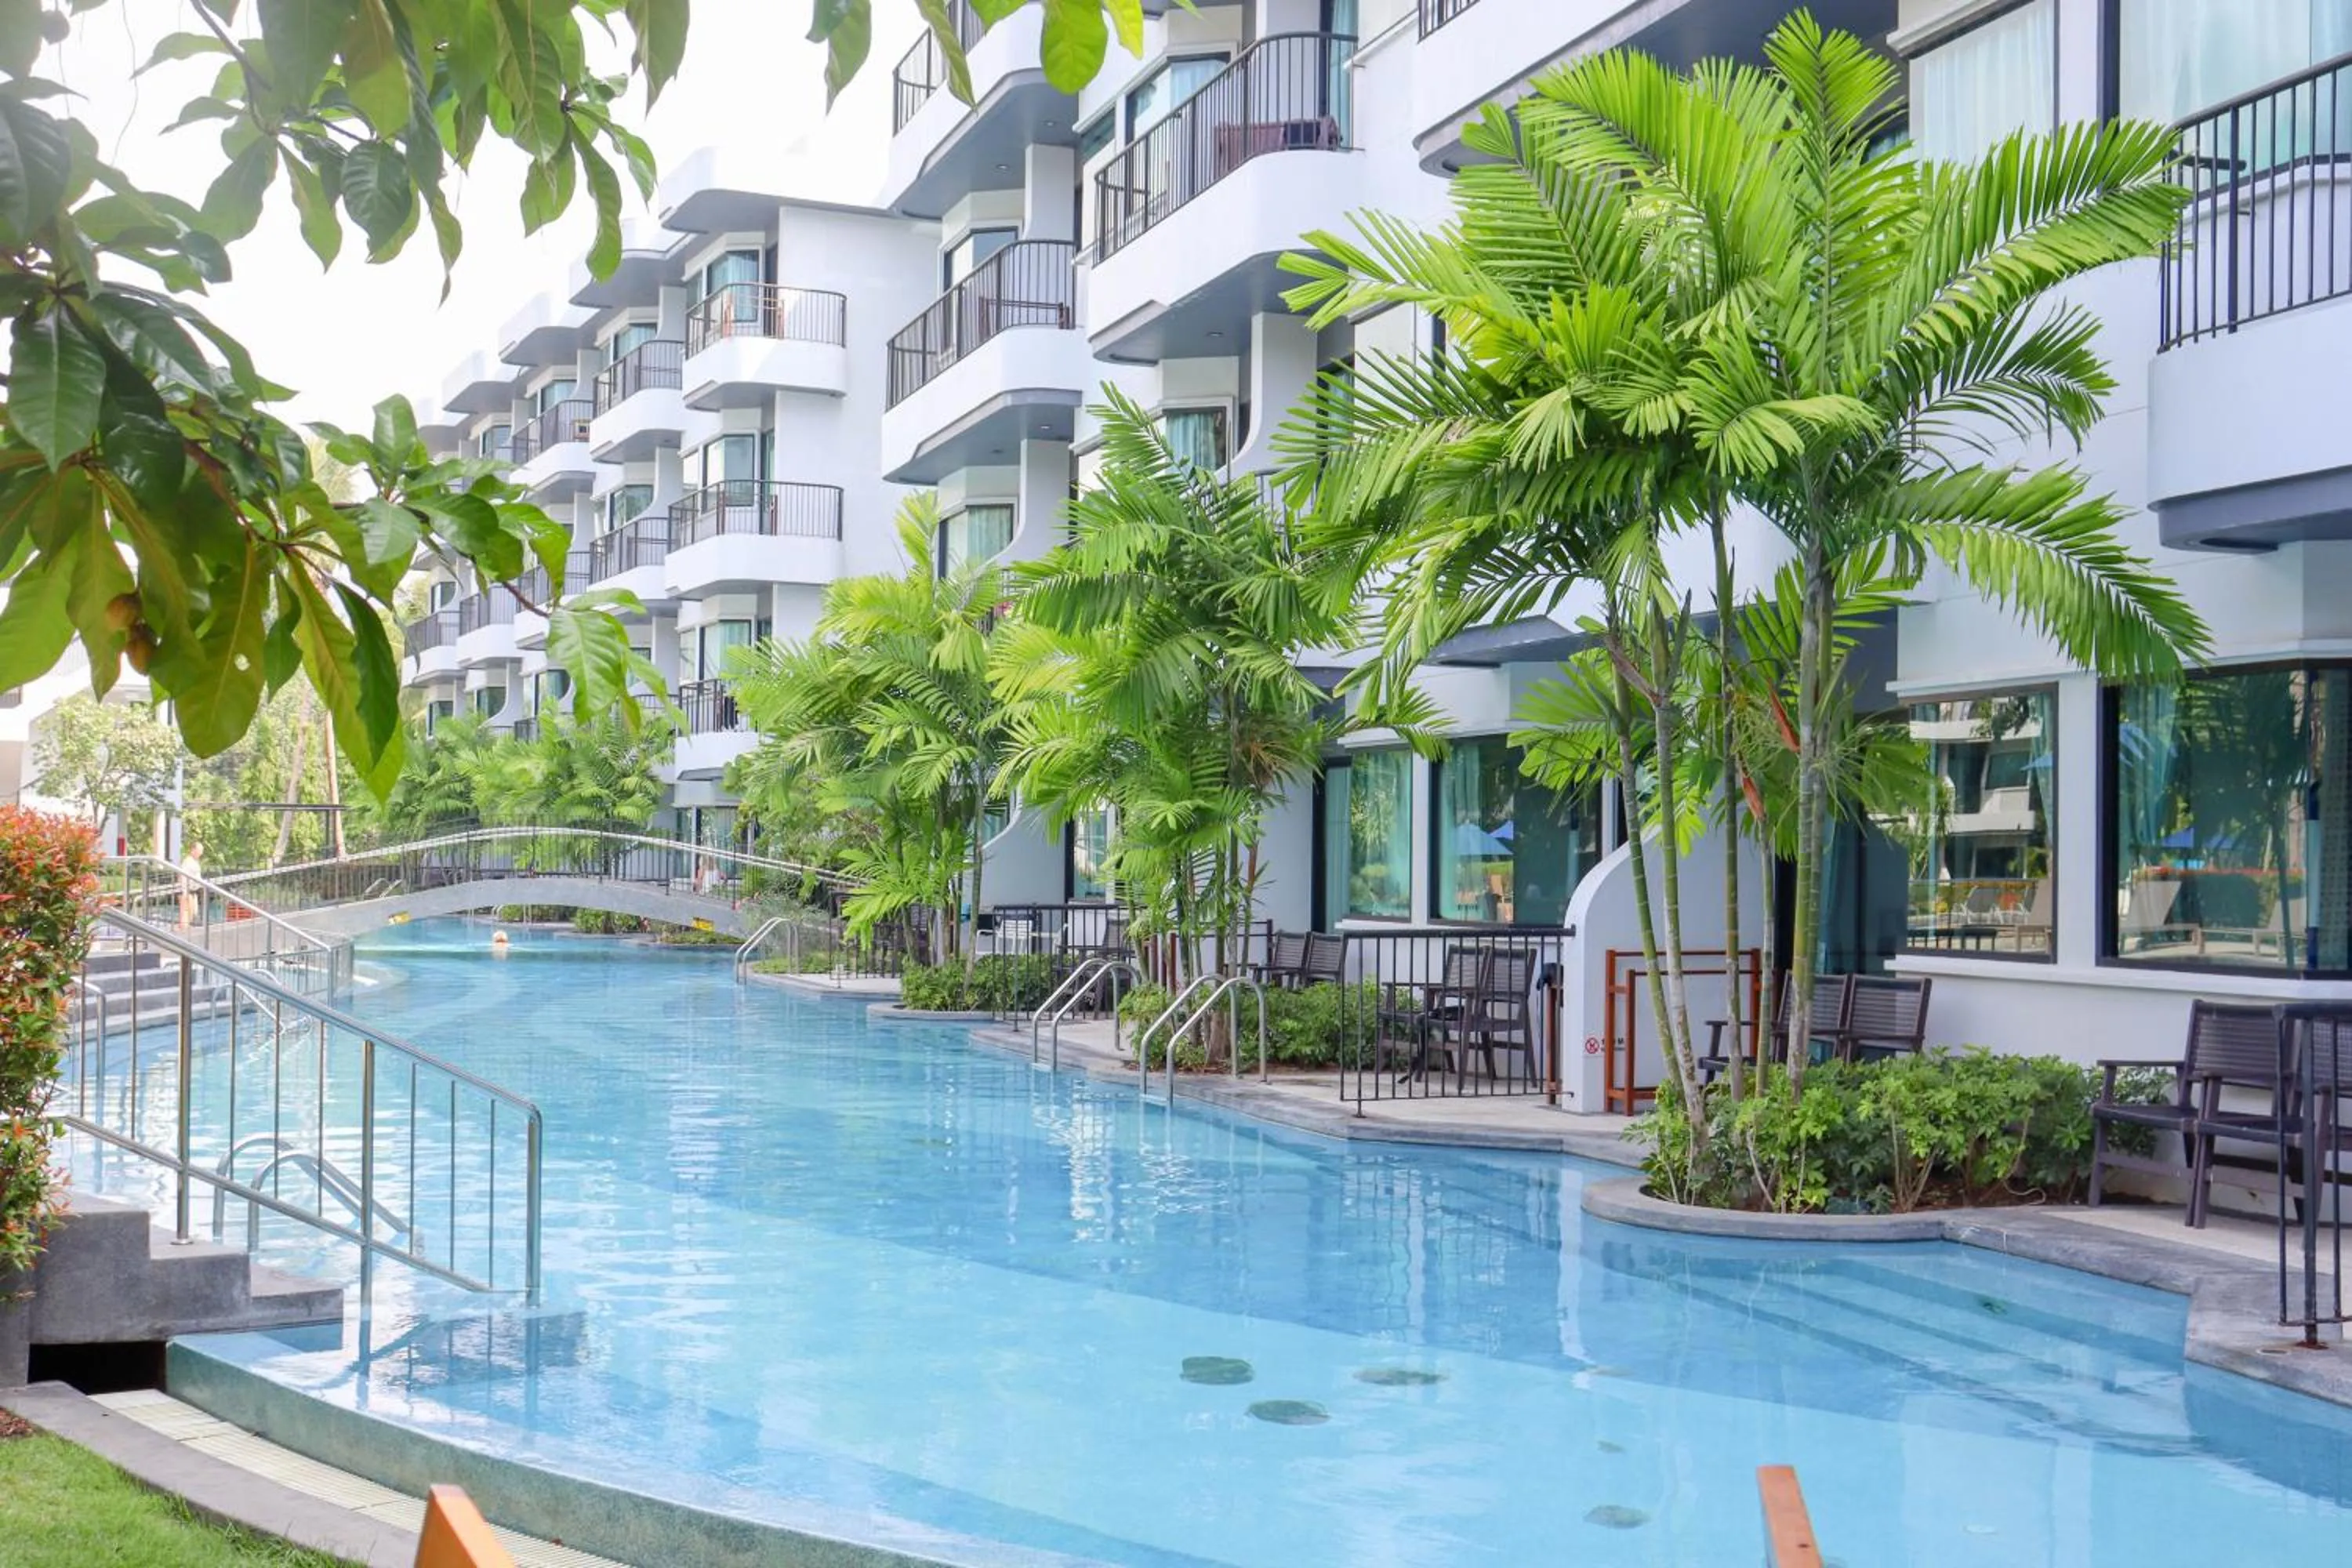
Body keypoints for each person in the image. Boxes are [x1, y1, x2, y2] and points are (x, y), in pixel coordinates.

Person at [177, 840, 205, 927]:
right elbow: (183, 876)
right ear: (193, 850)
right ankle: (182, 931)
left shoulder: (195, 862)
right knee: (186, 914)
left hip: (193, 891)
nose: (201, 853)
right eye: (199, 851)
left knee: (192, 913)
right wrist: (184, 891)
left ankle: (186, 928)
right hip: (187, 891)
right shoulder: (188, 861)